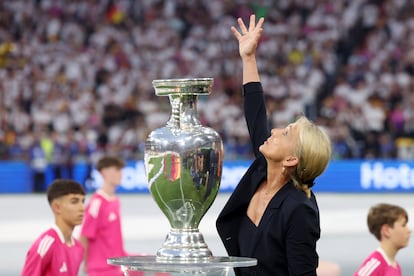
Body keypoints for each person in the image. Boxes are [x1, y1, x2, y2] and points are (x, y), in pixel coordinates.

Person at [216, 14, 332, 275]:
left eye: (286, 134)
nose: (276, 131)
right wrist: (248, 58)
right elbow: (256, 113)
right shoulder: (261, 172)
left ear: (292, 160)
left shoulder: (300, 209)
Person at [79, 155, 134, 276]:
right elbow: (84, 236)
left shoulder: (115, 201)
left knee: (159, 267)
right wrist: (85, 264)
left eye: (121, 170)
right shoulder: (97, 203)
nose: (121, 174)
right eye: (116, 170)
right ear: (104, 172)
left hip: (118, 261)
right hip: (102, 268)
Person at [21, 179, 86, 276]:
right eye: (74, 202)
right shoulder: (46, 245)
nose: (82, 208)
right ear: (57, 207)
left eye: (83, 201)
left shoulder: (78, 247)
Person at [354, 203, 411, 276]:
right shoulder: (375, 265)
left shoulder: (396, 266)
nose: (409, 230)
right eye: (403, 225)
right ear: (386, 230)